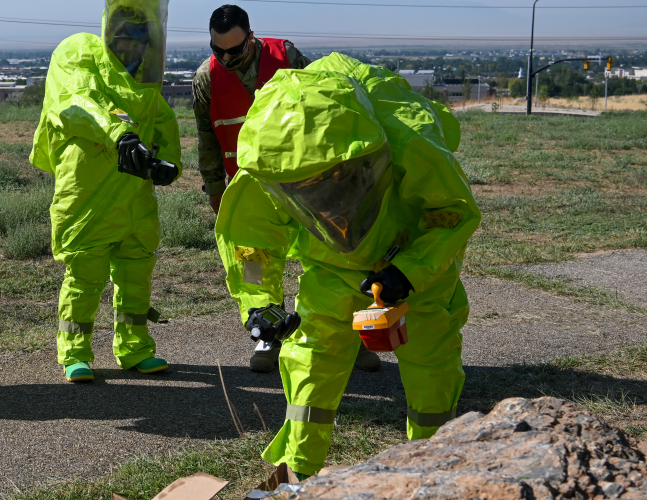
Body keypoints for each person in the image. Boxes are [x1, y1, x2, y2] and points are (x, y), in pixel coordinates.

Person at [216, 52, 478, 478]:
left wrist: (408, 270)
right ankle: (300, 476)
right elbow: (251, 247)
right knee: (312, 364)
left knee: (430, 362)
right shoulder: (271, 160)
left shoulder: (411, 139)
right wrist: (259, 302)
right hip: (330, 267)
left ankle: (434, 471)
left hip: (411, 256)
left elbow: (450, 215)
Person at [194, 5, 380, 373]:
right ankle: (267, 333)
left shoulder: (287, 56)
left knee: (331, 258)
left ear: (251, 36)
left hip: (309, 182)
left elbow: (329, 103)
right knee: (253, 262)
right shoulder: (206, 78)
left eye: (235, 49)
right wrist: (216, 189)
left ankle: (347, 339)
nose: (227, 58)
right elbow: (206, 139)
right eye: (219, 51)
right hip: (252, 188)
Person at [30, 0, 181, 383]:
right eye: (124, 33)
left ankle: (135, 348)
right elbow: (75, 104)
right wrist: (120, 135)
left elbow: (159, 115)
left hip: (133, 190)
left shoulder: (144, 76)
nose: (130, 42)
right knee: (85, 273)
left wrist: (169, 160)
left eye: (139, 34)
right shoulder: (79, 53)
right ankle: (75, 353)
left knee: (136, 269)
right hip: (89, 190)